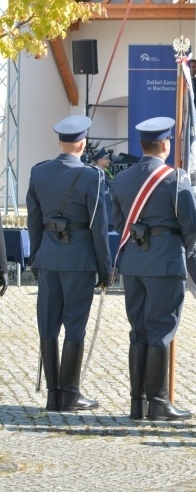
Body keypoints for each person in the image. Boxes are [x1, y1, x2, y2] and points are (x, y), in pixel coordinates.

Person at [111, 117, 196, 421]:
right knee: (160, 331)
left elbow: (119, 224)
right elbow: (190, 226)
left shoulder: (121, 179)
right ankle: (158, 403)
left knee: (138, 331)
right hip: (165, 261)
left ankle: (138, 403)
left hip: (133, 262)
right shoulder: (176, 179)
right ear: (165, 144)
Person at [26, 115, 112, 412]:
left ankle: (53, 394)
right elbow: (99, 228)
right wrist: (106, 268)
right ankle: (70, 393)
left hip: (48, 258)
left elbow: (34, 222)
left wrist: (36, 257)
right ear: (83, 143)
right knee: (75, 326)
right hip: (79, 261)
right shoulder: (92, 176)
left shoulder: (39, 172)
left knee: (48, 326)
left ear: (59, 142)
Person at [92, 147, 115, 226]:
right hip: (102, 217)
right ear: (100, 161)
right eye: (106, 158)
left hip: (108, 216)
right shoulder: (95, 175)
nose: (109, 160)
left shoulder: (104, 173)